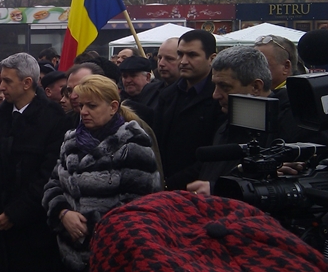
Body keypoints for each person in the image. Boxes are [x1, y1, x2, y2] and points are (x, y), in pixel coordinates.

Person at [43, 75, 162, 271]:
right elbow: (53, 184)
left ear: (113, 107)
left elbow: (138, 204)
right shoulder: (71, 141)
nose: (84, 112)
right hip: (67, 253)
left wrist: (88, 226)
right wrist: (63, 213)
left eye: (92, 106)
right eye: (82, 105)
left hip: (111, 254)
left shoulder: (132, 144)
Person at [0, 53, 68, 271]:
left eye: (7, 81)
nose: (1, 87)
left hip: (34, 232)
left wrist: (16, 213)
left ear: (26, 83)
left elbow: (49, 174)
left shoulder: (52, 118)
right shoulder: (1, 115)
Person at [186, 46, 324, 196]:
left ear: (256, 87)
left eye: (225, 87)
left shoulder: (294, 127)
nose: (215, 95)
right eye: (215, 86)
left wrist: (216, 189)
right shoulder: (226, 125)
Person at [154, 30, 225, 190]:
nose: (183, 61)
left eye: (192, 55)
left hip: (198, 188)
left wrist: (172, 183)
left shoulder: (219, 98)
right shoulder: (167, 95)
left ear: (211, 58)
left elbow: (214, 154)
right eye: (180, 54)